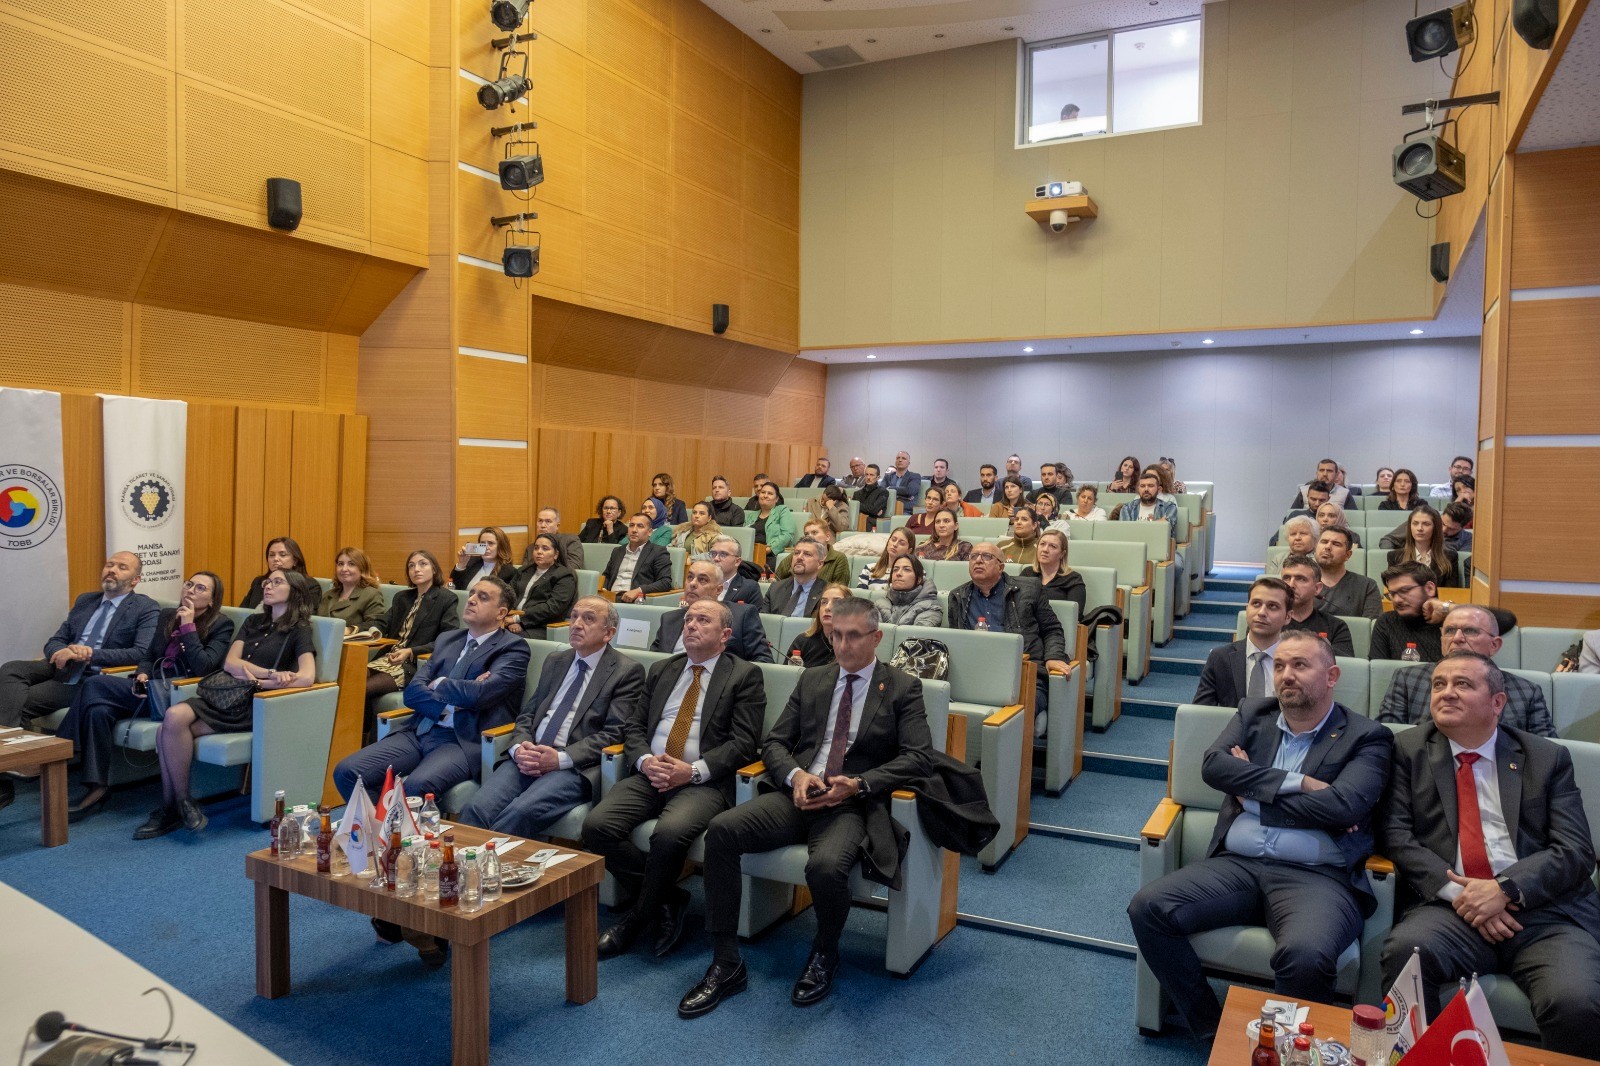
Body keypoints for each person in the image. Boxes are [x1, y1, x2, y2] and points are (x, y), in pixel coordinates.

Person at [1128, 632, 1394, 1040]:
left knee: (1305, 956)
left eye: (1300, 665)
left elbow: (1344, 807)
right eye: (1280, 665)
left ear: (1331, 675)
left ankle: (1289, 1047)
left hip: (1318, 878)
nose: (1286, 674)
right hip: (1238, 866)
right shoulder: (1254, 713)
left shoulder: (1367, 736)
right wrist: (1302, 783)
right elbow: (1214, 768)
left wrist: (1250, 792)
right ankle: (1212, 1029)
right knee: (1148, 908)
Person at [682, 596, 934, 1017]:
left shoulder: (902, 688)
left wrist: (858, 784)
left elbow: (918, 757)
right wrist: (796, 776)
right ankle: (726, 962)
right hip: (799, 794)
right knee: (723, 831)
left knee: (824, 868)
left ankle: (825, 950)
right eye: (836, 635)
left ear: (876, 637)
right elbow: (775, 742)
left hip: (850, 805)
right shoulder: (815, 679)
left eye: (854, 636)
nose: (843, 645)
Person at [1379, 652, 1600, 1056]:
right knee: (1406, 954)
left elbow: (1575, 850)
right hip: (1451, 909)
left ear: (1497, 702)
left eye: (1463, 684)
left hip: (1544, 913)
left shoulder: (1544, 757)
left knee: (1575, 1002)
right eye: (1439, 684)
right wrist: (1464, 896)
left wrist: (1503, 889)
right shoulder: (1407, 749)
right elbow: (1396, 836)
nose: (1447, 693)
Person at [583, 599, 765, 959]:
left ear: (725, 634)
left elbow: (744, 743)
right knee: (596, 826)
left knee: (666, 835)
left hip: (703, 782)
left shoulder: (744, 675)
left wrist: (693, 770)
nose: (691, 625)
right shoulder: (664, 669)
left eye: (702, 620)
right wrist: (645, 760)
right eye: (688, 619)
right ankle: (669, 898)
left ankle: (637, 917)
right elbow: (634, 726)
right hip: (652, 772)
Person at [138, 570, 319, 839]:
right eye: (267, 582)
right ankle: (183, 802)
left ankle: (171, 809)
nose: (267, 586)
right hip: (224, 695)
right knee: (173, 718)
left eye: (277, 582)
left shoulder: (300, 629)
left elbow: (306, 677)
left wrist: (262, 683)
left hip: (252, 704)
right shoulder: (253, 620)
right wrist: (270, 673)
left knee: (168, 728)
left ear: (294, 591)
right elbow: (231, 664)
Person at [459, 596, 646, 840]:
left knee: (519, 812)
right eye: (575, 616)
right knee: (475, 809)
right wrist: (518, 747)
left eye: (588, 619)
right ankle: (465, 873)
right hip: (529, 755)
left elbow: (614, 733)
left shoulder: (626, 671)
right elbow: (529, 713)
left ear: (608, 633)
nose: (577, 624)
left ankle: (490, 873)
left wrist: (560, 759)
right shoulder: (557, 660)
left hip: (574, 766)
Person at [334, 578, 530, 808]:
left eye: (483, 597)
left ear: (501, 613)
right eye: (473, 593)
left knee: (416, 787)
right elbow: (413, 692)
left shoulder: (513, 648)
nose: (472, 600)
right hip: (420, 728)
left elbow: (481, 695)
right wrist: (449, 703)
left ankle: (397, 836)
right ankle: (382, 834)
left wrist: (439, 682)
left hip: (461, 740)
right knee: (347, 771)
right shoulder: (448, 639)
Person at [58, 571, 232, 820]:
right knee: (98, 710)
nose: (191, 590)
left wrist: (189, 627)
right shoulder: (167, 615)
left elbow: (204, 667)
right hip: (148, 689)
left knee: (95, 684)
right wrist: (141, 674)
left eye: (201, 588)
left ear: (213, 600)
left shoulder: (221, 624)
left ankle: (61, 749)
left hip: (177, 697)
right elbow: (149, 655)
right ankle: (97, 789)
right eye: (189, 584)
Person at [0, 552, 160, 754]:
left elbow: (139, 653)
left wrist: (90, 654)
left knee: (15, 702)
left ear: (136, 580)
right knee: (11, 668)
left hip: (93, 677)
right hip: (63, 665)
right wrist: (61, 651)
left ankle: (15, 764)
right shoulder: (86, 600)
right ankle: (15, 760)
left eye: (122, 567)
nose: (112, 570)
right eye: (109, 564)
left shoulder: (145, 607)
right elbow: (56, 640)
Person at [947, 543, 1067, 737]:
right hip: (976, 674)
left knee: (1011, 718)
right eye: (973, 556)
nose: (978, 560)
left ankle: (1007, 765)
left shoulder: (1030, 589)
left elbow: (1052, 629)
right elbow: (957, 640)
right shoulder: (958, 596)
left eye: (986, 556)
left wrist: (1054, 656)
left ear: (1001, 566)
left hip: (1025, 673)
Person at [1375, 604, 1553, 733]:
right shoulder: (1408, 679)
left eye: (1470, 631)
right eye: (1450, 631)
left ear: (1494, 645)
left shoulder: (1527, 692)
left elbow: (1545, 752)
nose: (1457, 638)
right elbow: (1387, 735)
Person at [364, 550, 459, 736]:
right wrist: (366, 631)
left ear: (434, 568)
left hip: (411, 664)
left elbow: (448, 638)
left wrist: (411, 651)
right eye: (411, 565)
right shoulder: (402, 598)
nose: (416, 569)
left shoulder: (446, 599)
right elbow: (383, 622)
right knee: (349, 681)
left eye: (423, 564)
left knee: (362, 688)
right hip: (386, 658)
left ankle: (362, 737)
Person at [1194, 577, 1290, 707]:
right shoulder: (1220, 658)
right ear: (1247, 609)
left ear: (1288, 617)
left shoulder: (1296, 661)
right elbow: (1200, 713)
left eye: (1272, 606)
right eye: (1256, 604)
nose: (1261, 612)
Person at [655, 561, 773, 663]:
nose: (693, 584)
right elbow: (654, 660)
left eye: (702, 580)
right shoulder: (669, 619)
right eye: (690, 577)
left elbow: (763, 660)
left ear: (718, 589)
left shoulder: (741, 615)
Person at [1277, 555, 1354, 656]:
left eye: (1301, 579)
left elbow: (1344, 666)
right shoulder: (1269, 621)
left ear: (1317, 588)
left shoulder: (1336, 626)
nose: (1291, 585)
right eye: (1286, 578)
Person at [508, 533, 578, 639]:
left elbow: (552, 608)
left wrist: (518, 620)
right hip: (512, 622)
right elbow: (507, 596)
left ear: (556, 554)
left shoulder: (564, 576)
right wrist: (508, 619)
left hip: (541, 627)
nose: (539, 552)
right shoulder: (523, 571)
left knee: (505, 639)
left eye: (545, 549)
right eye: (536, 548)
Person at [1370, 562, 1442, 662]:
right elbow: (1378, 671)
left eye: (1404, 590)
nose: (1397, 600)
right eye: (1392, 594)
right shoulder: (1386, 622)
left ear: (1429, 588)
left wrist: (1448, 609)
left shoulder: (1451, 623)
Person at [603, 513, 674, 603]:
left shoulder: (658, 552)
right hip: (610, 599)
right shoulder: (617, 551)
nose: (634, 530)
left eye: (640, 526)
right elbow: (607, 575)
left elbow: (665, 582)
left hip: (634, 601)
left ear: (649, 532)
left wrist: (639, 590)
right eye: (631, 525)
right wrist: (604, 589)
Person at [1314, 526, 1382, 619]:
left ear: (1348, 555)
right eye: (1324, 542)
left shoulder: (1367, 586)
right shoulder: (1299, 581)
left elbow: (1369, 628)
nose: (1327, 547)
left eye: (1336, 544)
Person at [1386, 504, 1460, 588]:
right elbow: (1393, 590)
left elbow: (1450, 593)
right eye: (1415, 523)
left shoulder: (1450, 557)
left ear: (1435, 528)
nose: (1420, 528)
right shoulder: (1394, 557)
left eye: (1426, 524)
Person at [317, 547, 386, 634]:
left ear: (362, 569)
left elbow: (375, 626)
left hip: (352, 646)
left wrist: (350, 630)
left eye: (351, 564)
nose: (344, 569)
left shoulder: (371, 594)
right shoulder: (328, 594)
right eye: (340, 564)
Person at [784, 584, 851, 667]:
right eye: (824, 602)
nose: (827, 608)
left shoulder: (854, 644)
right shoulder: (803, 642)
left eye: (837, 602)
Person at [1021, 529, 1085, 614]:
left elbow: (1074, 615)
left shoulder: (1073, 579)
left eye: (1053, 546)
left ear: (1062, 553)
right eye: (1042, 544)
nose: (1045, 550)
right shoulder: (1027, 573)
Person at [774, 519, 852, 586]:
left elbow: (840, 590)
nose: (809, 537)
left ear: (827, 537)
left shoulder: (838, 558)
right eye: (806, 534)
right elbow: (777, 579)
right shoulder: (796, 556)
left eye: (814, 533)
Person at [240, 536, 310, 609]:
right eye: (272, 555)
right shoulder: (259, 582)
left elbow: (307, 616)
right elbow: (242, 612)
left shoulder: (309, 585)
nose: (276, 559)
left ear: (295, 561)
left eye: (282, 555)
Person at [767, 539, 826, 618]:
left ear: (819, 564)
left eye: (807, 554)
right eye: (796, 553)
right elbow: (765, 623)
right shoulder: (775, 589)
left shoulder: (827, 592)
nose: (799, 557)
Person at [877, 555, 941, 627]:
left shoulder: (930, 607)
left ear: (919, 579)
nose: (898, 573)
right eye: (895, 569)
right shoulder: (880, 604)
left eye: (907, 569)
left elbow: (917, 636)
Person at [1114, 469, 1178, 538]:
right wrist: (1159, 523)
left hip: (1159, 545)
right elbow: (1125, 532)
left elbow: (1165, 529)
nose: (1146, 489)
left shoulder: (1169, 507)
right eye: (1142, 486)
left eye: (1150, 486)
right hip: (1134, 546)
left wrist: (1135, 528)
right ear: (1138, 489)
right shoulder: (1127, 508)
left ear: (1159, 489)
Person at [450, 526, 517, 591]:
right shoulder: (472, 561)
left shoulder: (508, 571)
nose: (486, 547)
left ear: (501, 546)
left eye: (491, 543)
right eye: (482, 544)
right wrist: (461, 565)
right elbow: (452, 587)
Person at [707, 536, 764, 611]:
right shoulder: (701, 583)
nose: (716, 558)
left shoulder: (749, 588)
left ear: (737, 561)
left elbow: (753, 620)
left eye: (723, 554)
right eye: (713, 553)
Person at [654, 500, 723, 556]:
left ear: (709, 518)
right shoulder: (683, 531)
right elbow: (672, 546)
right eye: (694, 512)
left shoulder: (714, 536)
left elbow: (715, 555)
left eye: (701, 513)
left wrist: (690, 559)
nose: (697, 516)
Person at [749, 482, 798, 559]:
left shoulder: (782, 511)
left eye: (770, 493)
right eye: (763, 492)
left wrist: (769, 549)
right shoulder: (751, 515)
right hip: (750, 553)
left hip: (771, 555)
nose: (765, 496)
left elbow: (787, 535)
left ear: (776, 499)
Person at [853, 463, 889, 531]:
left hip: (872, 526)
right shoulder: (857, 494)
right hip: (856, 524)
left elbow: (873, 509)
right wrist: (872, 510)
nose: (868, 477)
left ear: (878, 477)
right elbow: (853, 511)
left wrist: (857, 505)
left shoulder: (883, 492)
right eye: (866, 474)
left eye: (871, 475)